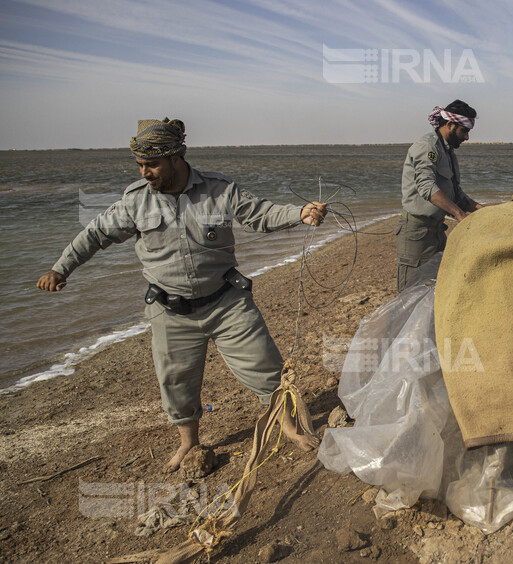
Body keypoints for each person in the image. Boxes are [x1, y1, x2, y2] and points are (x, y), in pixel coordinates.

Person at [36, 118, 327, 474]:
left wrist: (300, 213)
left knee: (267, 369)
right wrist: (60, 268)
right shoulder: (135, 203)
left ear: (178, 157)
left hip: (227, 303)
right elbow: (94, 235)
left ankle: (291, 429)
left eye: (152, 164)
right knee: (177, 384)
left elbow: (260, 214)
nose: (145, 173)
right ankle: (189, 442)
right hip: (170, 312)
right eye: (140, 165)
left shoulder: (220, 191)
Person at [397, 100, 484, 291]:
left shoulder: (447, 151)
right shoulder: (428, 147)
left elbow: (456, 194)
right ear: (450, 125)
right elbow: (427, 187)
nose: (467, 137)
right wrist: (460, 215)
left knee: (435, 291)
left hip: (437, 232)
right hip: (417, 234)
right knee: (409, 294)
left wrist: (482, 211)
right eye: (464, 131)